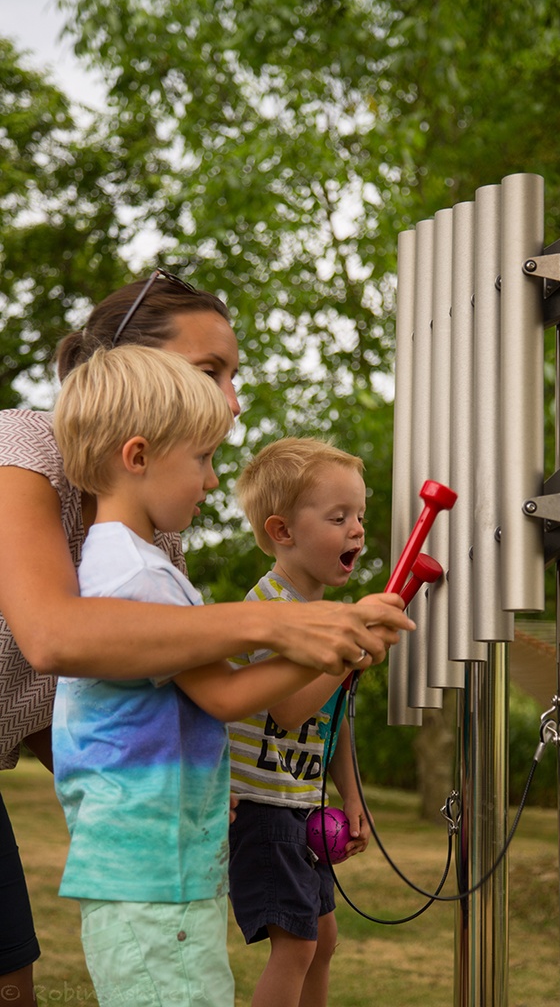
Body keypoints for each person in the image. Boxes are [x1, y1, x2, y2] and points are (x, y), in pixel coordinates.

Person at [0, 269, 413, 1007]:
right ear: (129, 371)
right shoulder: (27, 445)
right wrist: (282, 622)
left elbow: (181, 692)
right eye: (210, 371)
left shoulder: (156, 545)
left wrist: (329, 646)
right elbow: (55, 638)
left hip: (158, 857)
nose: (232, 399)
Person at [228, 437, 375, 1007]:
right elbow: (290, 710)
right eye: (338, 517)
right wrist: (349, 651)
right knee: (296, 945)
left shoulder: (330, 619)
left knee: (324, 939)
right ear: (283, 532)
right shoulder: (269, 610)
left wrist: (352, 796)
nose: (357, 529)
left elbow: (331, 719)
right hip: (262, 807)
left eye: (360, 515)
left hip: (300, 803)